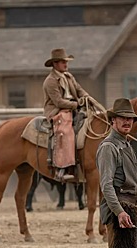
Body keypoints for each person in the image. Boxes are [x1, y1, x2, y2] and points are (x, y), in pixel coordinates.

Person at [96, 98, 137, 248]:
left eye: (130, 118)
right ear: (113, 120)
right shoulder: (109, 147)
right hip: (119, 209)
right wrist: (119, 212)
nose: (127, 121)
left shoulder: (126, 144)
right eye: (122, 117)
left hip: (131, 207)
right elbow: (106, 185)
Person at [43, 48, 90, 181]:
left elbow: (80, 90)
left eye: (66, 61)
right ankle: (61, 168)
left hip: (73, 108)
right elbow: (58, 102)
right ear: (55, 64)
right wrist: (76, 104)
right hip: (57, 111)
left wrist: (87, 98)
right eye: (63, 62)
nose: (66, 64)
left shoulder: (69, 77)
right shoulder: (50, 81)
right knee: (65, 130)